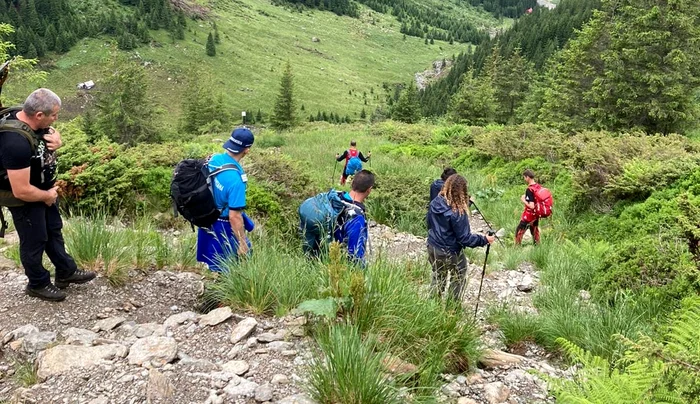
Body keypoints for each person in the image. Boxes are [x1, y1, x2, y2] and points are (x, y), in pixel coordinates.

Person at [0, 88, 96, 302]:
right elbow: (21, 190)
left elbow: (46, 136)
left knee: (53, 231)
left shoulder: (30, 118)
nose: (56, 119)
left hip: (44, 189)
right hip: (25, 196)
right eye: (54, 115)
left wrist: (57, 140)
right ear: (39, 115)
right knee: (34, 240)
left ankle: (65, 271)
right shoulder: (14, 143)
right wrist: (45, 196)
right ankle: (38, 283)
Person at [427, 174, 495, 301]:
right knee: (458, 274)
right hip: (449, 251)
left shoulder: (436, 202)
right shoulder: (458, 212)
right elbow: (465, 238)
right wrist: (484, 239)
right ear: (462, 190)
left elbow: (430, 223)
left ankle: (432, 305)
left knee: (438, 275)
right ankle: (452, 307)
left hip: (432, 245)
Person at [196, 127, 254, 272]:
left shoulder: (214, 159)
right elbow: (234, 216)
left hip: (207, 217)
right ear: (247, 149)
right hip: (223, 227)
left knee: (212, 264)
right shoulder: (236, 181)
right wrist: (242, 243)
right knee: (227, 268)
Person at [333, 169, 375, 266]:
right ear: (369, 189)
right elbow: (355, 256)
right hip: (338, 264)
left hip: (322, 253)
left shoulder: (336, 198)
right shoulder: (357, 218)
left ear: (352, 183)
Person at [515, 169, 540, 245]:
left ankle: (516, 248)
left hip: (529, 215)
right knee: (534, 231)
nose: (524, 179)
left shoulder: (529, 189)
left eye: (524, 177)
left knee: (519, 231)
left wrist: (523, 200)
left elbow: (531, 206)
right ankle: (537, 247)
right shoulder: (538, 186)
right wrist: (527, 197)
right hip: (536, 215)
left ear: (528, 177)